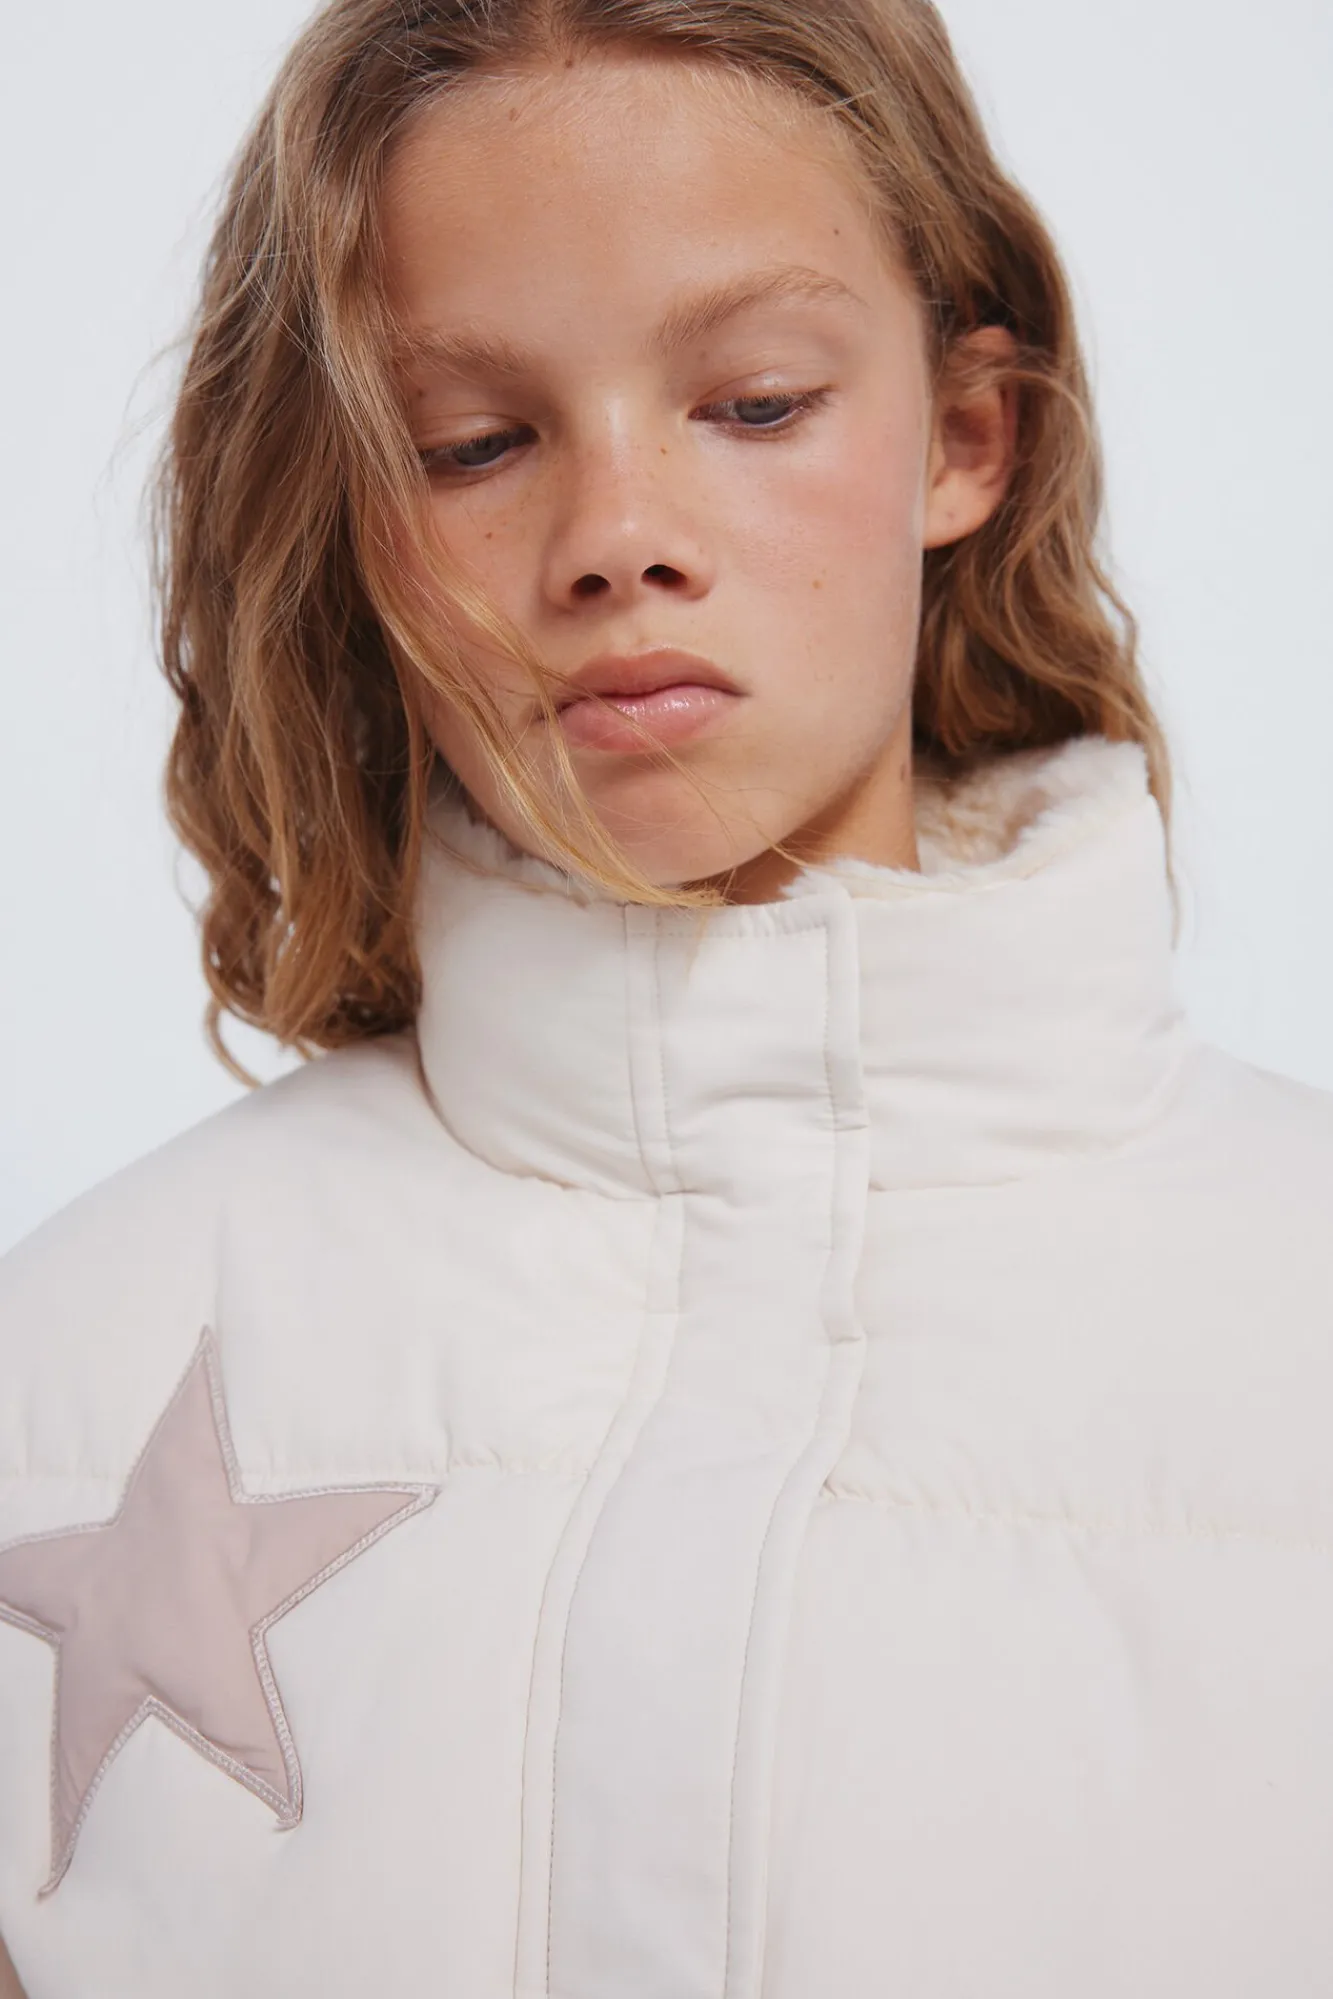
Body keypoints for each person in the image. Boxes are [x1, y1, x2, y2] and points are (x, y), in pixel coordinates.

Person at [1, 0, 1330, 1993]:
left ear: (968, 437)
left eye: (757, 404)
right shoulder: (62, 1375)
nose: (616, 539)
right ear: (355, 515)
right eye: (473, 443)